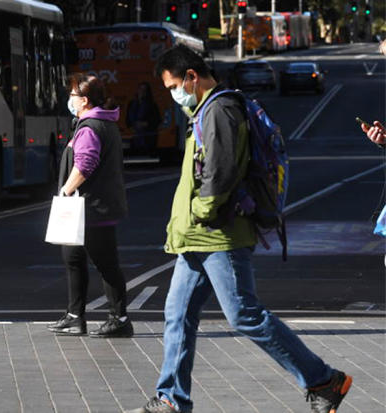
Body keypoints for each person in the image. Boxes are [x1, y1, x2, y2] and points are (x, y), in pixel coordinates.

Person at [126, 45, 351, 413]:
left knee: (244, 315)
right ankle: (171, 399)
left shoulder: (220, 110)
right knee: (178, 315)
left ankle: (324, 380)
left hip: (219, 235)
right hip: (197, 238)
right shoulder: (204, 110)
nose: (172, 95)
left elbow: (221, 173)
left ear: (191, 78)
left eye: (172, 87)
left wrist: (200, 211)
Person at [47, 73, 132, 338]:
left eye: (72, 95)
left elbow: (85, 164)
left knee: (106, 263)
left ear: (83, 100)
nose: (69, 100)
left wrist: (65, 189)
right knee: (72, 258)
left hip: (92, 208)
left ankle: (119, 319)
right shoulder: (99, 124)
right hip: (90, 207)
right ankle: (75, 317)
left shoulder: (90, 127)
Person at [126, 82, 161, 155]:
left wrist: (146, 124)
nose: (142, 92)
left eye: (144, 90)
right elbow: (128, 119)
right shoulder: (132, 104)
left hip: (147, 136)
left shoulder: (152, 105)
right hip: (134, 135)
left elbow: (157, 120)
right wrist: (132, 126)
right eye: (140, 89)